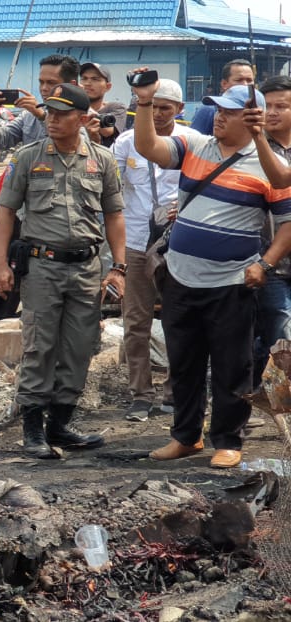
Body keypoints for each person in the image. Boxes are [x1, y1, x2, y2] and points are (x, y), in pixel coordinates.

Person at [134, 72, 291, 468]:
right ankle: (186, 437)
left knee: (231, 365)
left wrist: (265, 264)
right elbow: (148, 147)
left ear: (250, 118)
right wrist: (143, 102)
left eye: (229, 113)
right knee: (183, 363)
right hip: (181, 276)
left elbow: (288, 223)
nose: (218, 118)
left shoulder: (269, 164)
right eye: (216, 110)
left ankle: (228, 440)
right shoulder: (194, 144)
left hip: (232, 281)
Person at [0, 83, 126, 459]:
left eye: (61, 114)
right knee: (39, 346)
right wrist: (0, 265)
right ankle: (33, 428)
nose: (51, 119)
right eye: (48, 112)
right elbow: (5, 213)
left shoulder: (102, 160)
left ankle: (61, 424)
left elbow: (114, 216)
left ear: (83, 119)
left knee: (79, 347)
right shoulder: (28, 157)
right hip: (42, 268)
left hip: (85, 269)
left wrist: (118, 268)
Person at [111, 78, 194, 422]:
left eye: (166, 107)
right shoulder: (126, 143)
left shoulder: (190, 143)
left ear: (179, 110)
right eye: (152, 106)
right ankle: (140, 394)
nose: (158, 113)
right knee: (136, 321)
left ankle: (175, 392)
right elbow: (112, 190)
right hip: (135, 242)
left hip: (177, 244)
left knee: (179, 320)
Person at [0, 54, 81, 321]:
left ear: (71, 84)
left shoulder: (81, 115)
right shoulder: (27, 116)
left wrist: (41, 115)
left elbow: (74, 147)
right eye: (41, 82)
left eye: (52, 82)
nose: (44, 88)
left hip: (54, 220)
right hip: (19, 210)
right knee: (2, 275)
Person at [249, 76, 291, 390]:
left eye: (282, 106)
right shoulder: (247, 146)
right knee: (280, 333)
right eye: (268, 106)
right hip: (266, 259)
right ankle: (277, 404)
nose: (273, 112)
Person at [191, 59, 257, 135]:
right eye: (239, 80)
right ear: (224, 84)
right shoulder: (208, 111)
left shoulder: (257, 111)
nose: (245, 84)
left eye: (249, 80)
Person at [78, 62, 126, 148]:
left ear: (108, 87)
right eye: (84, 78)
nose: (88, 83)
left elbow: (107, 131)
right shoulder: (71, 108)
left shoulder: (115, 108)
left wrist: (81, 102)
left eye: (95, 79)